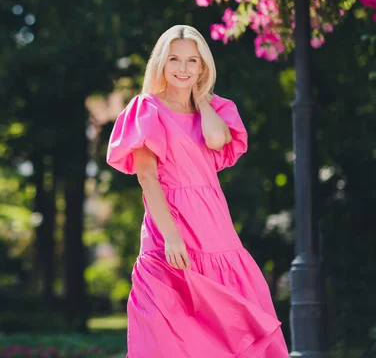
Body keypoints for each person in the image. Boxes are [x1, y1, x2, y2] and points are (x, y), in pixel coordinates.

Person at [106, 25, 289, 358]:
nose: (182, 68)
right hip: (169, 224)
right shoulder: (146, 108)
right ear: (161, 62)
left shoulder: (215, 109)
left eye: (192, 60)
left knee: (227, 328)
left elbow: (218, 140)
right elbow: (147, 177)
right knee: (164, 328)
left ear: (203, 67)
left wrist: (200, 98)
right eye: (174, 59)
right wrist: (172, 236)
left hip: (213, 225)